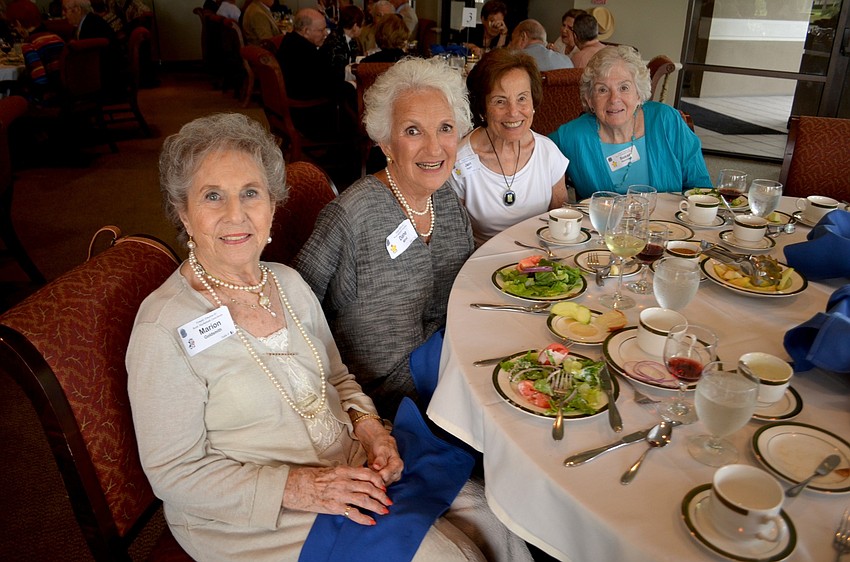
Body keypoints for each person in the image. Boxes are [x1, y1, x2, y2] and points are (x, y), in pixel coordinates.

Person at [127, 112, 521, 561]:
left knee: (495, 519)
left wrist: (373, 431)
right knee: (453, 557)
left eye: (251, 194)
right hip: (261, 514)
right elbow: (175, 475)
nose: (235, 215)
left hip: (349, 462)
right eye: (212, 196)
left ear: (272, 206)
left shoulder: (288, 283)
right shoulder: (163, 328)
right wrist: (300, 487)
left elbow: (337, 377)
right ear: (183, 211)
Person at [293, 57, 475, 416]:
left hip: (452, 367)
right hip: (386, 397)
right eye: (412, 131)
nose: (434, 148)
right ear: (386, 143)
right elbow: (293, 309)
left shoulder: (448, 201)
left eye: (445, 128)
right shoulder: (351, 216)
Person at [549, 46, 711, 199]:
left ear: (639, 94)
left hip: (669, 227)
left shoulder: (666, 120)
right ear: (589, 99)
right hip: (603, 228)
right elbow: (534, 151)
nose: (614, 99)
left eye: (624, 88)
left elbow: (701, 189)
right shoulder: (572, 136)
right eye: (602, 90)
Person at [449, 49, 569, 245]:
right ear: (483, 108)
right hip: (482, 264)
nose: (513, 112)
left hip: (541, 261)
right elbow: (454, 239)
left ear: (533, 102)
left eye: (522, 98)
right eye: (500, 101)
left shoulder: (548, 153)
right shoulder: (459, 161)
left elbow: (561, 225)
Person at [277, 8, 356, 140]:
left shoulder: (289, 42)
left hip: (288, 110)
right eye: (321, 30)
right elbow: (328, 87)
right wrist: (352, 85)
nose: (326, 33)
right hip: (308, 117)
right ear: (306, 31)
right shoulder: (306, 54)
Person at [508, 18, 573, 71]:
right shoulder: (567, 61)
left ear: (523, 37)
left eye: (513, 39)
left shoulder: (514, 61)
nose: (510, 44)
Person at [319, 4, 363, 81]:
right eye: (362, 25)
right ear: (355, 27)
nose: (363, 29)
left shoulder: (353, 41)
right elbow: (336, 72)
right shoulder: (334, 42)